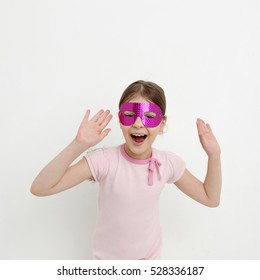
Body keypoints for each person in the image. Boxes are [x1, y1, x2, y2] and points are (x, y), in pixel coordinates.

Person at [31, 80, 222, 260]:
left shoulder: (168, 163)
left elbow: (210, 198)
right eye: (130, 115)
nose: (138, 123)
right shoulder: (104, 161)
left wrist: (214, 156)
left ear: (162, 123)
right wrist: (78, 145)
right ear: (121, 120)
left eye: (149, 116)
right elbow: (40, 188)